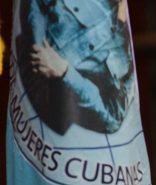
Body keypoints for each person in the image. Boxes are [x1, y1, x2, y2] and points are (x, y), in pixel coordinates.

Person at [16, 0, 134, 135]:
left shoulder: (129, 55)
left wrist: (65, 71)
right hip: (20, 85)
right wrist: (38, 46)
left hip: (52, 119)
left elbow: (113, 119)